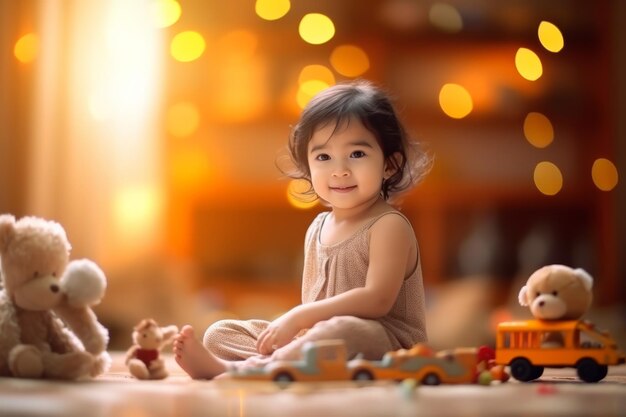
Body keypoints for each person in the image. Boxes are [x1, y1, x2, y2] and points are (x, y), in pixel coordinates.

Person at [173, 80, 432, 379]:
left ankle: (243, 370)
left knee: (343, 329)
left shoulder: (388, 226)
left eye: (357, 154)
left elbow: (377, 300)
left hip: (385, 345)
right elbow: (313, 307)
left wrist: (299, 316)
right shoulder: (318, 228)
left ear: (389, 164)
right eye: (323, 157)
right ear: (308, 167)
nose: (339, 170)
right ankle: (295, 359)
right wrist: (291, 326)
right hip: (319, 337)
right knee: (220, 332)